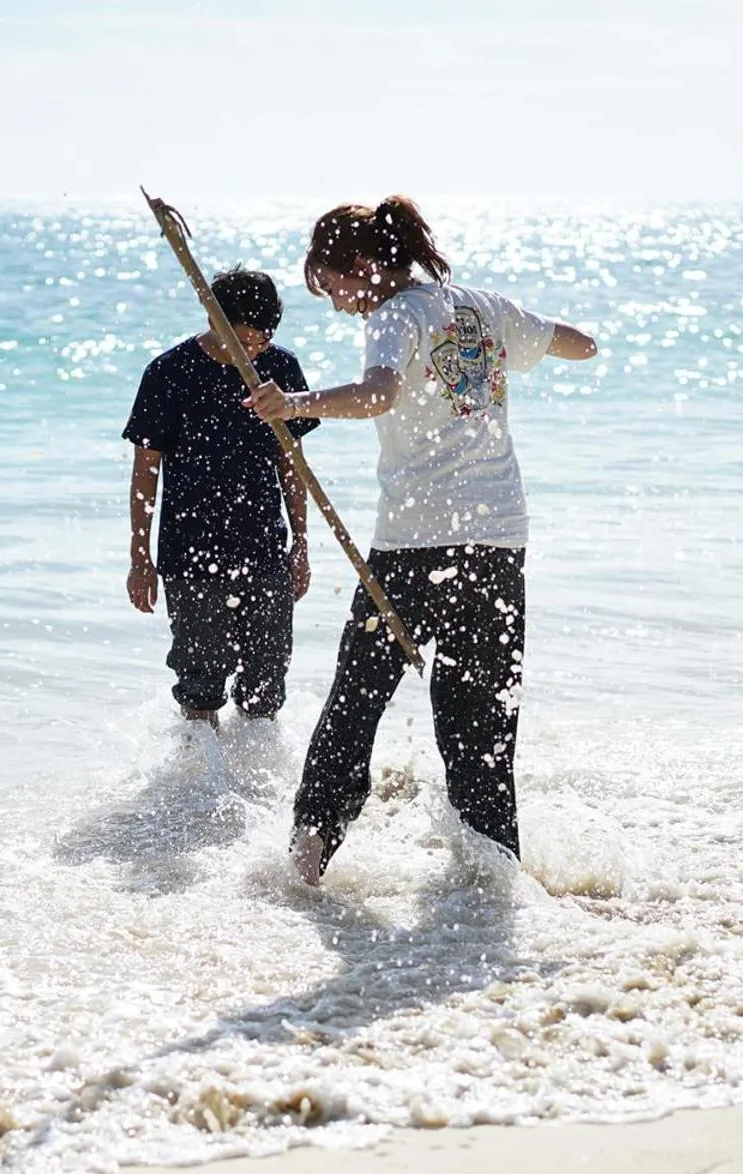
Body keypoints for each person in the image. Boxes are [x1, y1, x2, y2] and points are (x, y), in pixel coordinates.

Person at [244, 197, 597, 885]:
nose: (339, 304)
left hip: (413, 545)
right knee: (482, 720)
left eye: (335, 285)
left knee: (356, 697)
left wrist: (294, 404)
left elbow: (377, 393)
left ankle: (308, 856)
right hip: (496, 541)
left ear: (366, 267)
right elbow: (579, 343)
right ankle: (493, 878)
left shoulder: (394, 315)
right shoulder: (481, 306)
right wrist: (502, 349)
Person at [124, 267, 317, 727]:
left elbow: (292, 465)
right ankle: (198, 789)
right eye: (246, 341)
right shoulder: (168, 373)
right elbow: (144, 474)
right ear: (216, 321)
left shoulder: (279, 369)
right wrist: (139, 557)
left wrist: (302, 542)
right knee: (201, 686)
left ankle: (258, 791)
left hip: (265, 548)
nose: (254, 352)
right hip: (190, 554)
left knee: (265, 687)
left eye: (263, 342)